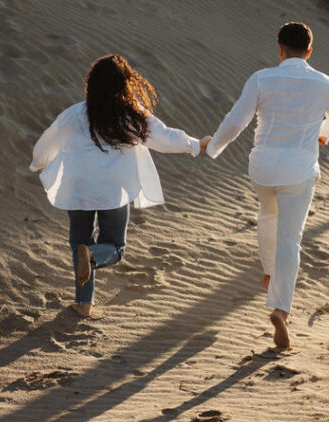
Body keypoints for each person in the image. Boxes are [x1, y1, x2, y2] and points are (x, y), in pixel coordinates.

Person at [201, 22, 329, 351]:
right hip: (298, 170)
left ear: (279, 50)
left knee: (268, 213)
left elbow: (235, 121)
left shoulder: (262, 78)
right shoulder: (324, 83)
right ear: (309, 52)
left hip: (263, 169)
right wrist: (319, 130)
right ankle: (280, 309)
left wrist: (213, 147)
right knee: (290, 238)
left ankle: (269, 273)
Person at [30, 54, 201, 318]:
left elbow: (46, 142)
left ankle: (84, 303)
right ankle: (93, 256)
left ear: (92, 84)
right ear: (125, 84)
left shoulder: (74, 113)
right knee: (115, 248)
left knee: (79, 242)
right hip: (114, 189)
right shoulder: (132, 115)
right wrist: (195, 144)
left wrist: (38, 164)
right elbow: (165, 138)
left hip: (79, 187)